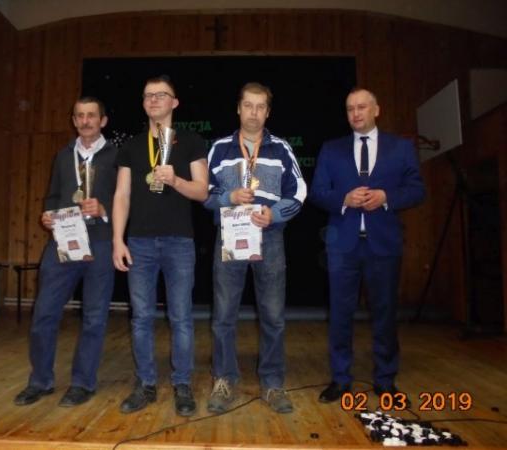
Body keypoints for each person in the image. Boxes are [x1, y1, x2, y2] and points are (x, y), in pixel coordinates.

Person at [310, 87, 425, 406]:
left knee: (385, 314)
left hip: (384, 245)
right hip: (342, 247)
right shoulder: (331, 149)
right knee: (340, 314)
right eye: (350, 109)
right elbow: (317, 192)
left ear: (376, 110)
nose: (355, 113)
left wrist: (387, 197)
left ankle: (385, 381)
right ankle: (340, 379)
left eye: (361, 107)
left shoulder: (400, 148)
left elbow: (417, 190)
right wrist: (343, 199)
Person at [204, 82, 307, 414]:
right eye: (248, 105)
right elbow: (203, 192)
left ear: (268, 112)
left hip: (270, 237)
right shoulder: (220, 148)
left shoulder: (281, 148)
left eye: (260, 106)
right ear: (238, 108)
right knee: (223, 314)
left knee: (273, 316)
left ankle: (273, 383)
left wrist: (275, 214)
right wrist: (228, 197)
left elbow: (299, 191)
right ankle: (224, 379)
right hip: (229, 237)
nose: (254, 112)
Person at [112, 75, 208, 417]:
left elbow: (202, 191)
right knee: (141, 318)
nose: (153, 100)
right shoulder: (132, 146)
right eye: (147, 95)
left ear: (174, 102)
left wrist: (176, 180)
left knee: (181, 317)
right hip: (139, 242)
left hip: (179, 241)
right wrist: (117, 240)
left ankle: (182, 384)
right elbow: (121, 196)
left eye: (160, 94)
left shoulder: (191, 141)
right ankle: (146, 384)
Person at [14, 97, 118, 407]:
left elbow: (127, 200)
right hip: (63, 240)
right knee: (44, 312)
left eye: (91, 115)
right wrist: (48, 215)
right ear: (73, 121)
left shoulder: (118, 156)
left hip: (101, 241)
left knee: (94, 317)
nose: (85, 121)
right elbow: (53, 197)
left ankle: (83, 383)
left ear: (103, 121)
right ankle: (40, 381)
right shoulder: (62, 157)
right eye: (80, 116)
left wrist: (104, 209)